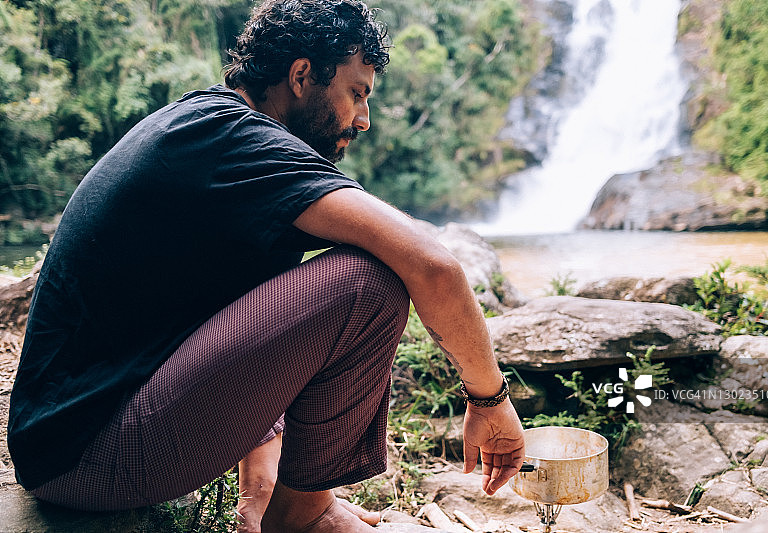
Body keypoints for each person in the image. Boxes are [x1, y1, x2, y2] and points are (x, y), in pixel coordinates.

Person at [6, 1, 526, 531]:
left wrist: (260, 486)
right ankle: (304, 518)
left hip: (69, 450)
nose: (363, 119)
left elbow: (244, 325)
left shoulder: (214, 128)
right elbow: (432, 264)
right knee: (371, 281)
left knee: (317, 284)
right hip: (94, 458)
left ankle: (291, 505)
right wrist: (490, 400)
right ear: (302, 75)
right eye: (357, 93)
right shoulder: (235, 141)